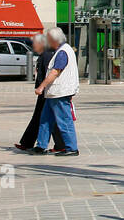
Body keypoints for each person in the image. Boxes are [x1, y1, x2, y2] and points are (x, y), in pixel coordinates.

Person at [32, 28, 79, 156]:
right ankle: (41, 146)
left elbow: (55, 72)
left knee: (64, 120)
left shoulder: (63, 52)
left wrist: (41, 87)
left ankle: (71, 148)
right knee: (45, 119)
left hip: (60, 92)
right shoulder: (61, 50)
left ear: (54, 40)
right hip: (54, 93)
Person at [15, 34, 62, 152]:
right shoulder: (46, 54)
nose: (33, 47)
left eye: (35, 44)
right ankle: (59, 145)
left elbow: (49, 74)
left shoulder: (47, 55)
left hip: (46, 92)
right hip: (45, 91)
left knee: (44, 118)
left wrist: (42, 87)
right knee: (43, 118)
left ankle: (30, 143)